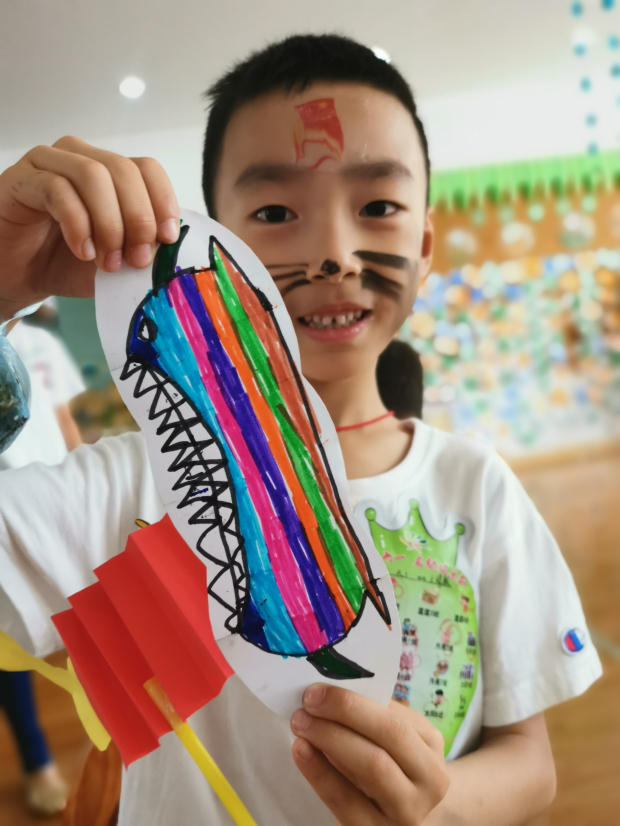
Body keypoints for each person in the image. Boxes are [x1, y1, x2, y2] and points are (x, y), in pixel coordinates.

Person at [0, 34, 602, 826]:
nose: (333, 255)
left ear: (423, 246)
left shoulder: (476, 488)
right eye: (276, 213)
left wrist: (437, 808)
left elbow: (531, 761)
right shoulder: (131, 485)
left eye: (377, 206)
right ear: (218, 243)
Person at [0, 319, 83, 815]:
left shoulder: (42, 343)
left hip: (57, 506)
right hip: (5, 516)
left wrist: (80, 486)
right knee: (7, 642)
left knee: (88, 622)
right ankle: (37, 761)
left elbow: (63, 418)